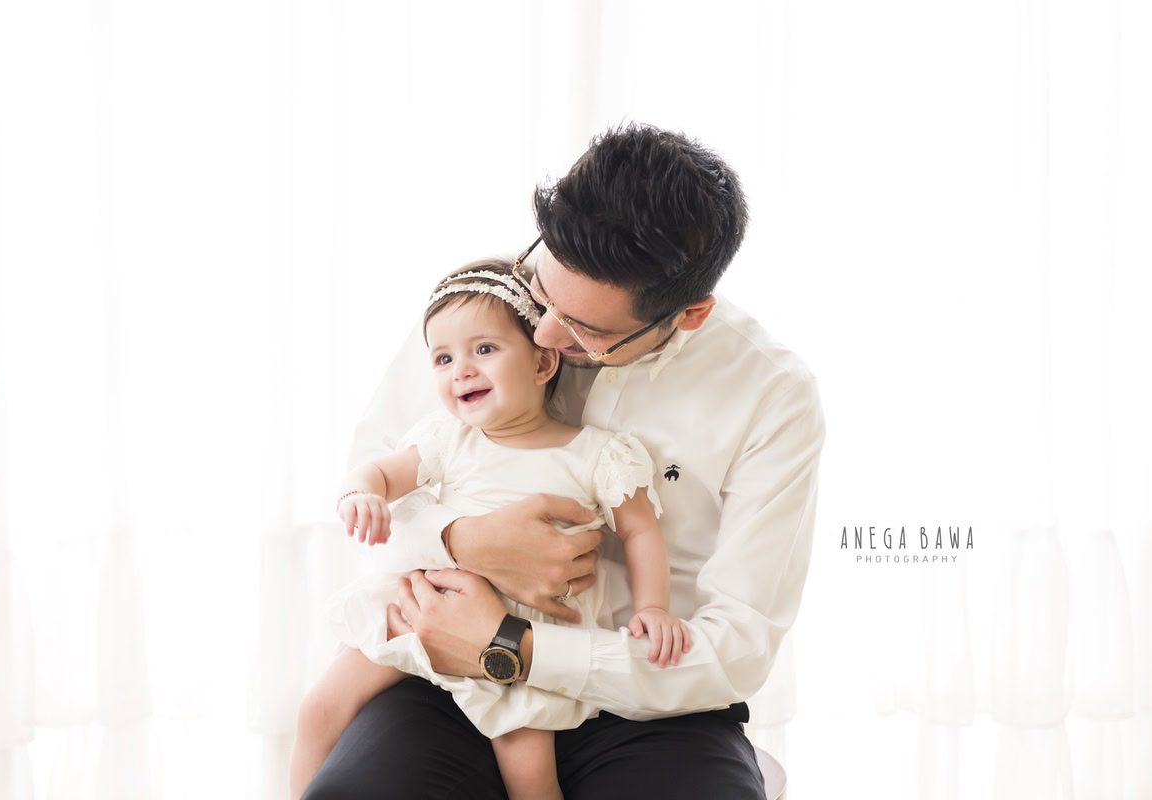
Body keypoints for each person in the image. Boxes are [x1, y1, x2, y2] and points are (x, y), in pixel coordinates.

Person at [302, 123, 826, 799]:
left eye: (587, 331)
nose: (543, 333)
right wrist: (461, 542)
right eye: (544, 291)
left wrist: (516, 646)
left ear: (690, 313)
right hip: (444, 674)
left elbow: (738, 646)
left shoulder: (771, 395)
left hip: (649, 701)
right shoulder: (483, 307)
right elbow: (370, 489)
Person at [289, 260, 692, 800]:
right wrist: (361, 491)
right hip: (421, 611)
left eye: (484, 350)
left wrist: (654, 609)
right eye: (443, 358)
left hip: (521, 646)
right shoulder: (448, 439)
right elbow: (382, 471)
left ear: (544, 361)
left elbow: (642, 534)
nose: (461, 370)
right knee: (319, 707)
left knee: (531, 780)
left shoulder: (596, 454)